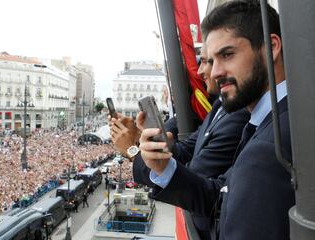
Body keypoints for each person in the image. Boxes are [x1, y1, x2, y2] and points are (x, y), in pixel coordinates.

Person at [137, 1, 295, 239]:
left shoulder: (267, 149)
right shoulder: (269, 122)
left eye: (227, 54)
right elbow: (218, 196)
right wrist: (164, 168)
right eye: (211, 60)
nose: (215, 71)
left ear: (272, 47)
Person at [109, 44, 249, 239]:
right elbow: (184, 150)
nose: (200, 71)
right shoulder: (220, 106)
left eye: (206, 62)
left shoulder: (237, 115)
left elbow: (191, 175)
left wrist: (132, 150)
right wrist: (135, 135)